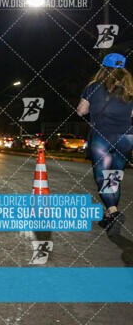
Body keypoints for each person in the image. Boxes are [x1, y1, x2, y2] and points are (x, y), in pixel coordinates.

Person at [77, 53, 133, 236]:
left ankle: (114, 213)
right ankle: (109, 215)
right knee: (113, 178)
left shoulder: (93, 87)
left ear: (103, 68)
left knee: (102, 178)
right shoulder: (130, 90)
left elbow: (81, 111)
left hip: (102, 137)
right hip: (126, 137)